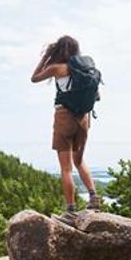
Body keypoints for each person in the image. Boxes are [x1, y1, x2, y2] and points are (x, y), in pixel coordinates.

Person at [30, 35, 101, 225]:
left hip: (64, 117)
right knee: (79, 161)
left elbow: (34, 78)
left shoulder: (57, 68)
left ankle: (70, 211)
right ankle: (94, 199)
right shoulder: (86, 69)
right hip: (84, 119)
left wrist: (46, 57)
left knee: (66, 168)